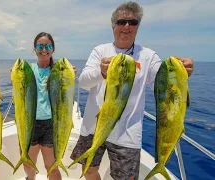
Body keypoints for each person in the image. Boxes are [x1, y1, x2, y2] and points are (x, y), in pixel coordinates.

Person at [70, 2, 194, 180]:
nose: (126, 26)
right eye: (121, 22)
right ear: (113, 26)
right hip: (93, 127)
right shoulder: (100, 51)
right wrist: (101, 72)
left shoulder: (149, 56)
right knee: (88, 171)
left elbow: (162, 84)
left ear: (138, 26)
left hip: (127, 135)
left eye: (132, 22)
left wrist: (182, 73)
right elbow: (83, 82)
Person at [22, 32, 76, 180]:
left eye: (48, 46)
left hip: (51, 124)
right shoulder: (27, 70)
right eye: (40, 46)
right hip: (30, 123)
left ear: (53, 49)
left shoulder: (59, 71)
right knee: (27, 164)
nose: (44, 49)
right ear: (34, 48)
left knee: (51, 167)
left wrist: (70, 77)